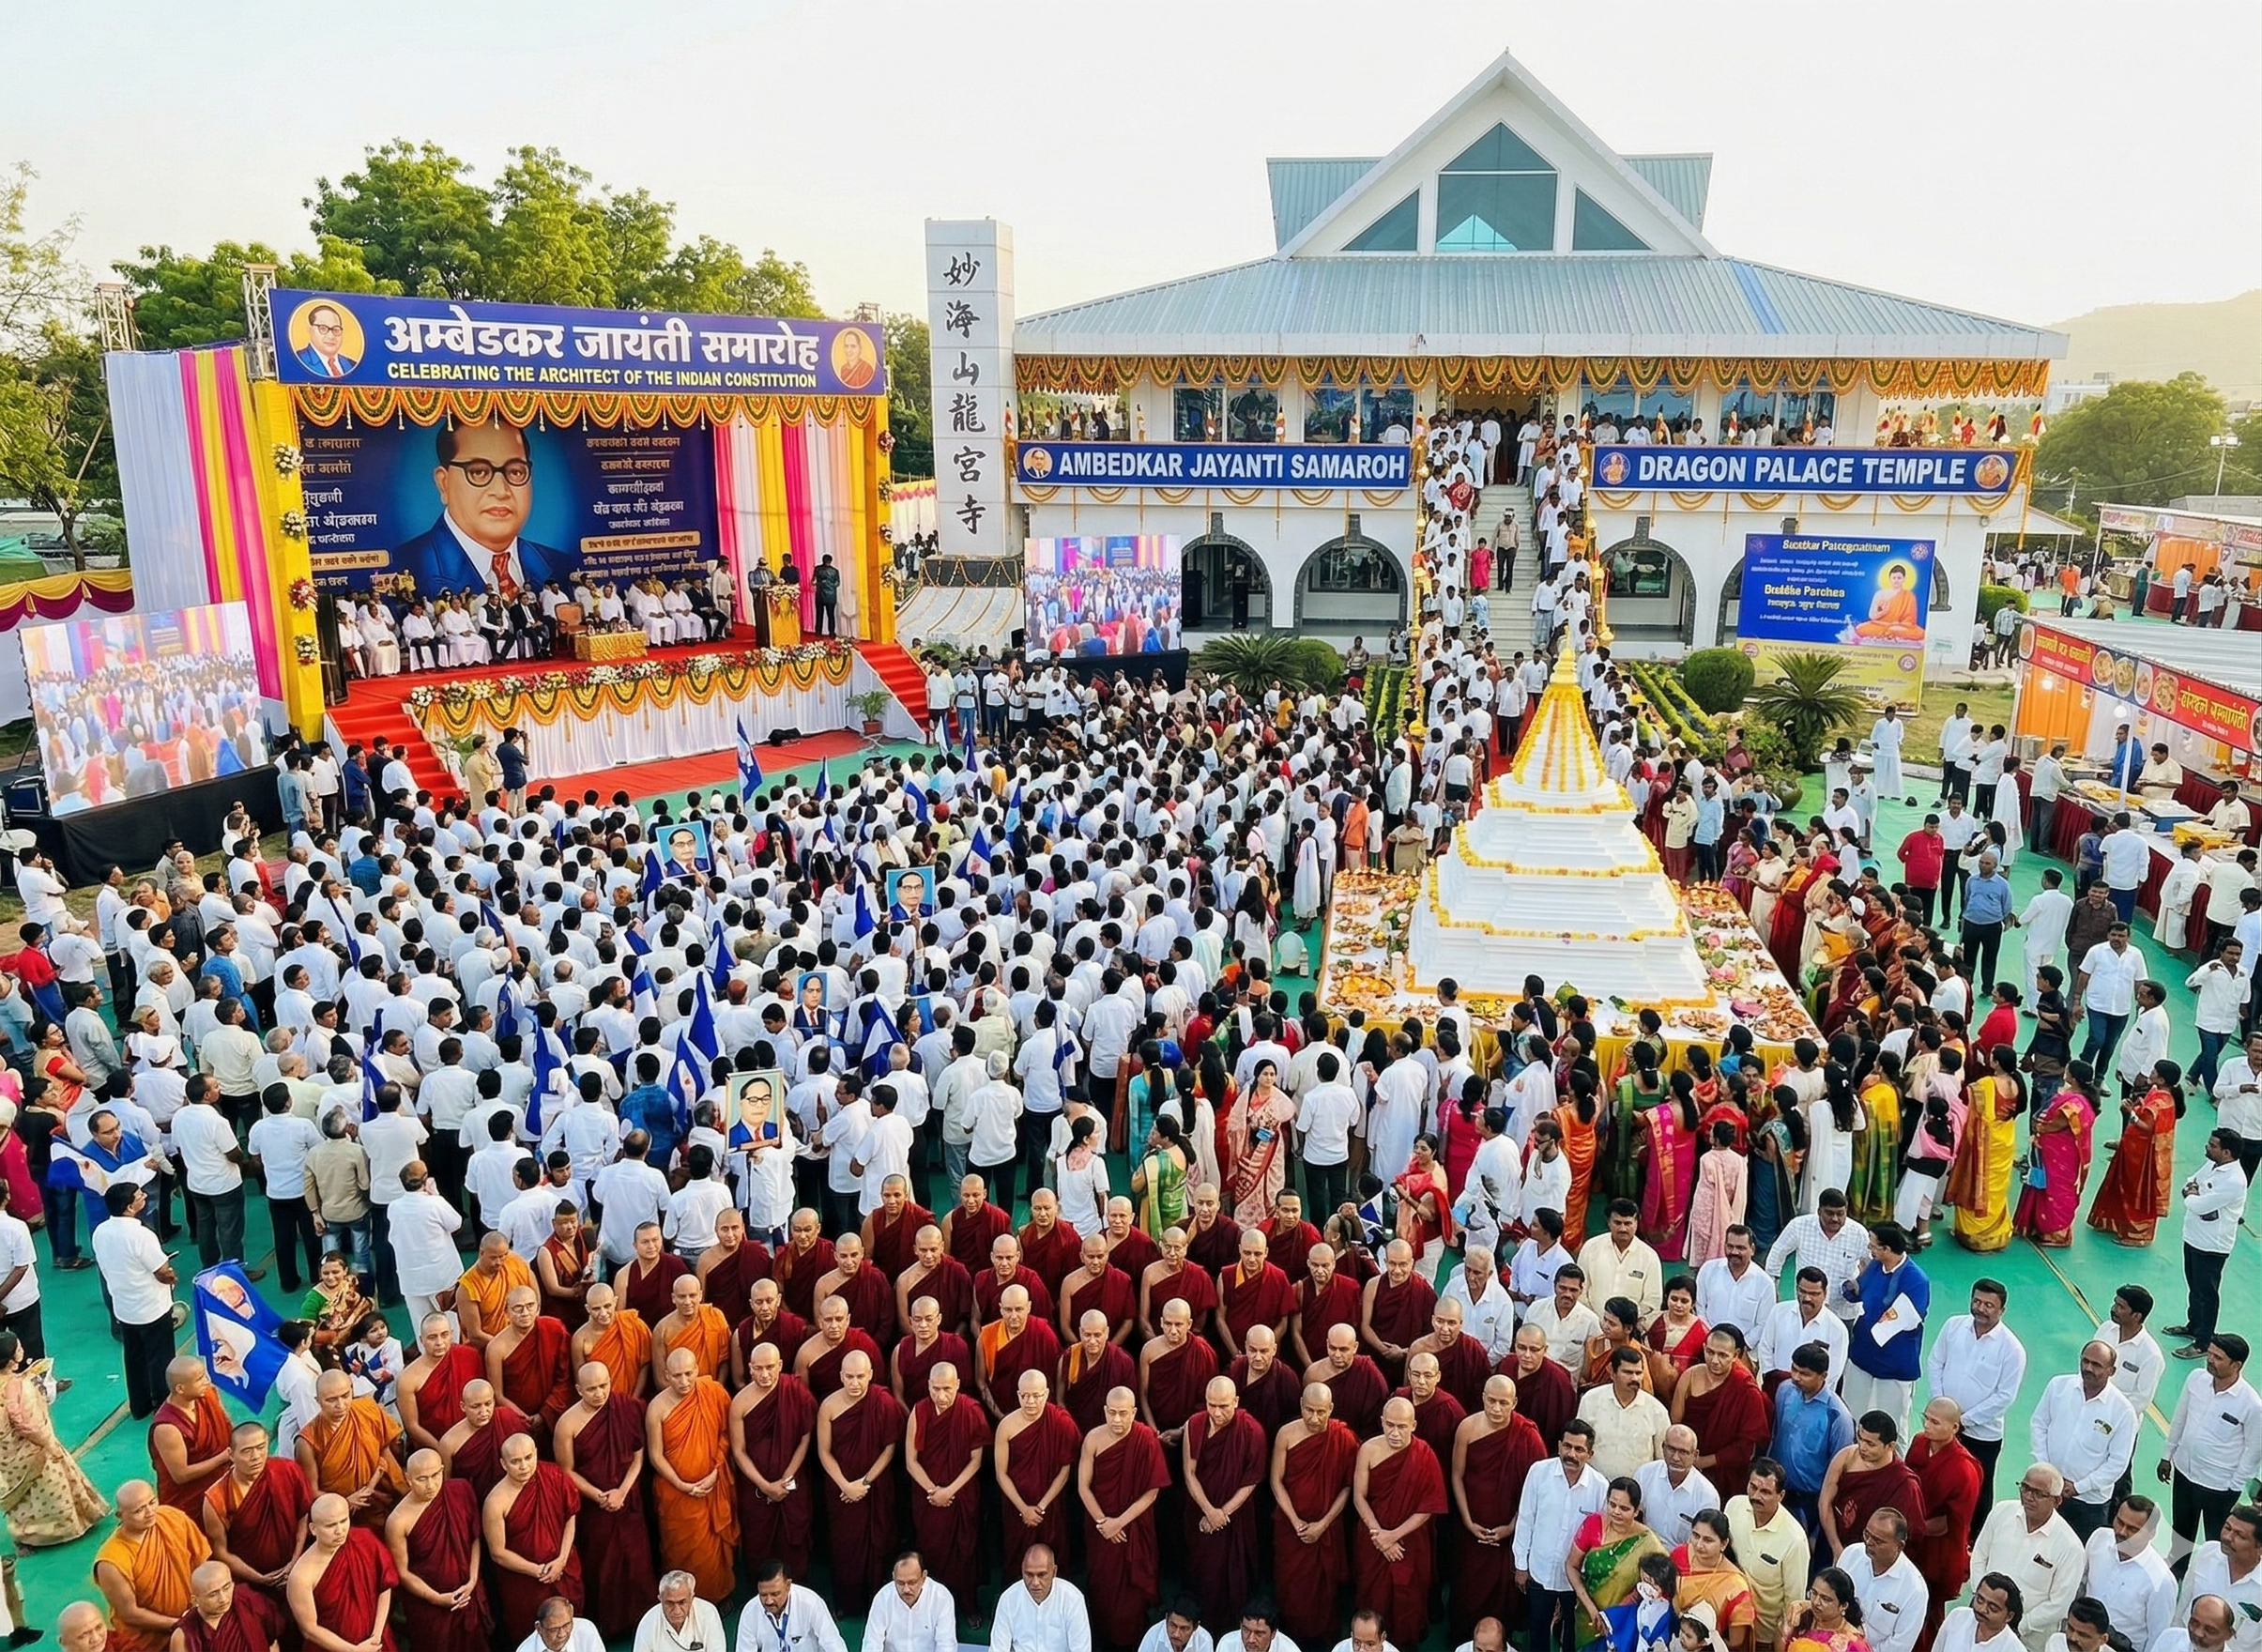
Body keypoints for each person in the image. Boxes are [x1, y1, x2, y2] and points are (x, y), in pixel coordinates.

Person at [2155, 1338, 2262, 1569]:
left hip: (2219, 1487)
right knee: (2181, 1529)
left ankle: (2212, 1578)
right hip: (2184, 1473)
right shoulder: (2196, 1379)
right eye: (2210, 1354)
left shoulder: (2251, 1404)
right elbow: (2180, 1417)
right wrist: (2167, 1455)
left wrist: (2233, 1486)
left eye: (2218, 1358)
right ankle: (2178, 1569)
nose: (2210, 1360)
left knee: (2218, 1540)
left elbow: (2253, 1451)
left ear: (2237, 1365)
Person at [1970, 1467, 2086, 1652]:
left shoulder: (2070, 1547)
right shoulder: (2001, 1512)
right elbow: (1979, 1557)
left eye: (2038, 1494)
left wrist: (2017, 1624)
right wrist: (1981, 1598)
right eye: (2025, 1488)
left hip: (2027, 1640)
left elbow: (2060, 1604)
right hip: (1981, 1619)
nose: (2028, 1497)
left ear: (2057, 1501)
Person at [2172, 1131, 2248, 1359]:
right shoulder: (2212, 1165)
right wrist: (2194, 1193)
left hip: (2212, 1245)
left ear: (2226, 1152)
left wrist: (2193, 1196)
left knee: (2207, 1293)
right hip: (2194, 1236)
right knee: (2194, 1286)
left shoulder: (2234, 1180)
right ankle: (2194, 1326)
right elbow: (2190, 1182)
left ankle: (2203, 1343)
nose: (2207, 1147)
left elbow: (2199, 1206)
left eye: (2213, 1145)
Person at [2078, 1498, 2176, 1652]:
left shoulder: (2162, 1580)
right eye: (2119, 1522)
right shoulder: (2099, 1538)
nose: (2122, 1532)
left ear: (2152, 1533)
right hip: (2081, 1639)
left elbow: (2157, 1638)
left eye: (2132, 1529)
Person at [990, 1544, 1093, 1652]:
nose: (1035, 1583)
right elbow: (998, 1648)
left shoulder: (1072, 1599)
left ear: (1054, 1572)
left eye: (1042, 1575)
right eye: (1029, 1575)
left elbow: (1081, 1649)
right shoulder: (1008, 1599)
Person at [734, 1559, 849, 1652]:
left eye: (775, 1594)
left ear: (788, 1585)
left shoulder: (811, 1603)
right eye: (763, 1595)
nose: (769, 1601)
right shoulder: (750, 1611)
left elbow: (833, 1644)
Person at [634, 1571, 729, 1652]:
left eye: (682, 1602)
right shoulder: (648, 1623)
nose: (677, 1611)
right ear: (660, 1599)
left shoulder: (708, 1613)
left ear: (691, 1598)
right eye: (670, 1603)